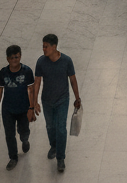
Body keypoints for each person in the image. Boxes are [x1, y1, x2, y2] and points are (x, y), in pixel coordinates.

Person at [32, 33, 82, 173]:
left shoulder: (66, 61)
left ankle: (60, 158)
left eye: (46, 47)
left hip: (62, 100)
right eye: (43, 46)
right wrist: (35, 101)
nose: (43, 49)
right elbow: (37, 81)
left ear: (54, 47)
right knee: (50, 126)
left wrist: (77, 98)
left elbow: (72, 79)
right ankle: (53, 146)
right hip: (47, 100)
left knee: (61, 128)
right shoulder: (41, 62)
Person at [0, 44, 35, 171]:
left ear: (20, 56)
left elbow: (31, 90)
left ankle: (25, 140)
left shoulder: (27, 71)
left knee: (23, 131)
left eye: (16, 57)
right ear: (7, 59)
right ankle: (13, 157)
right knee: (9, 134)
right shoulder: (3, 73)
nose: (14, 60)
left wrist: (31, 108)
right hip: (8, 110)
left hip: (23, 109)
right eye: (11, 58)